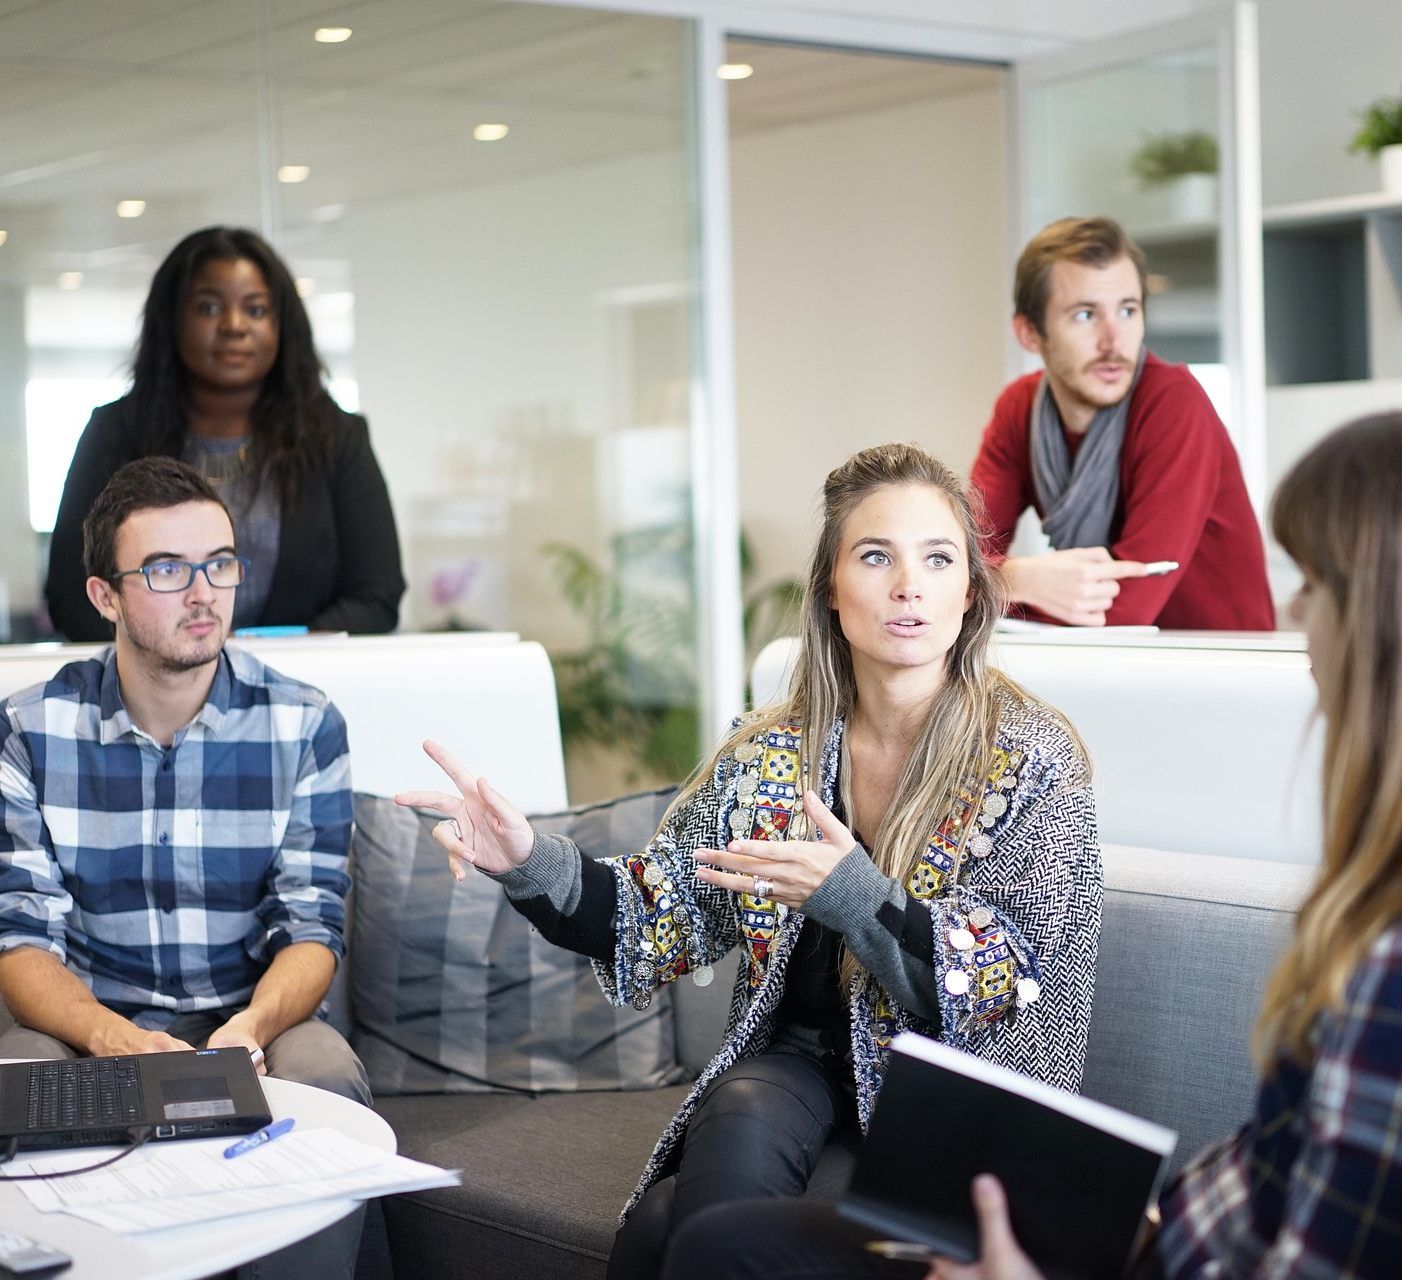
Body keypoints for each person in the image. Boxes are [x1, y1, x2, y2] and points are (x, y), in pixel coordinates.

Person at [666, 409, 1402, 1280]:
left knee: (728, 1251)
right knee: (716, 1234)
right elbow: (1300, 1180)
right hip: (1155, 1239)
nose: (1297, 614)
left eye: (1323, 583)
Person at [397, 443, 1101, 1278]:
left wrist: (851, 895)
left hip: (955, 1099)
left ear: (969, 595)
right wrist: (524, 860)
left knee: (667, 1225)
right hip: (799, 1067)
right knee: (735, 1114)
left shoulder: (1031, 757)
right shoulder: (772, 752)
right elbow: (652, 913)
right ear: (831, 591)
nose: (908, 584)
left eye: (937, 558)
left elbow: (1004, 983)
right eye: (875, 556)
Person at [0, 458, 370, 1276]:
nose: (203, 593)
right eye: (166, 569)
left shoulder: (305, 724)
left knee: (328, 1075)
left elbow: (311, 926)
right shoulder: (28, 730)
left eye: (220, 564)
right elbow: (19, 942)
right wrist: (116, 1039)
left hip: (252, 1016)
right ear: (105, 596)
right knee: (20, 1073)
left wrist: (251, 1029)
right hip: (89, 1018)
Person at [45, 225, 404, 641]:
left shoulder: (337, 439)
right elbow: (71, 598)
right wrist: (182, 652)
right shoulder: (115, 434)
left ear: (283, 326)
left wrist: (268, 657)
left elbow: (376, 596)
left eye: (256, 310)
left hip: (300, 687)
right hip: (152, 695)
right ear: (172, 320)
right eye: (209, 308)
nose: (234, 326)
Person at [968, 216, 1273, 630]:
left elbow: (1127, 607)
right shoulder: (1019, 409)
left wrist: (991, 585)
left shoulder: (1173, 402)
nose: (1114, 341)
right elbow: (954, 559)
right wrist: (1016, 578)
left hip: (1218, 670)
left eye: (1127, 310)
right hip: (1105, 666)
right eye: (1084, 315)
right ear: (1029, 334)